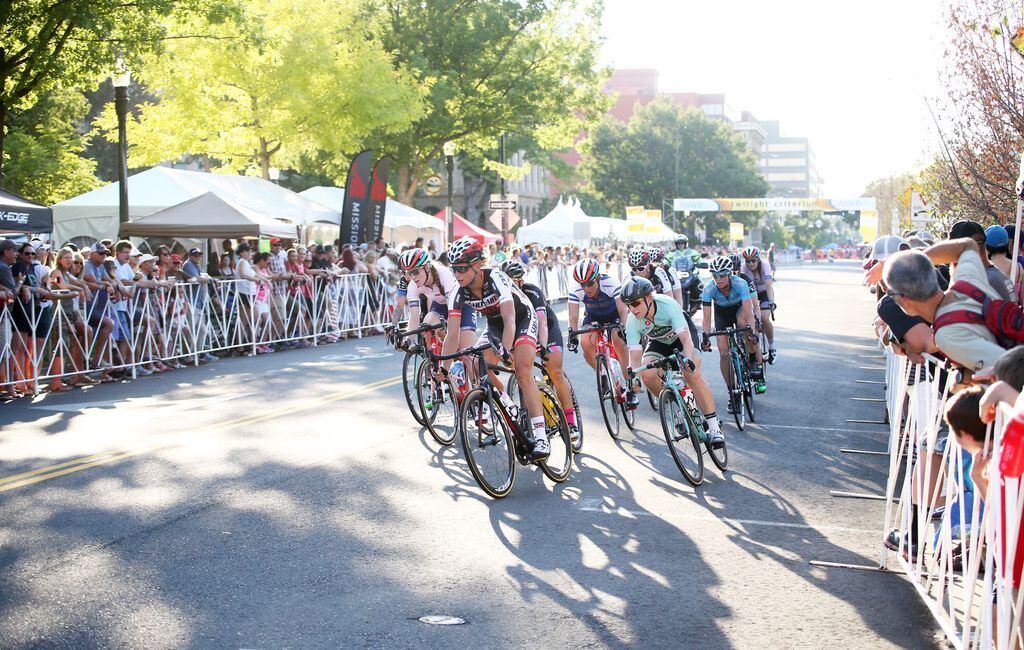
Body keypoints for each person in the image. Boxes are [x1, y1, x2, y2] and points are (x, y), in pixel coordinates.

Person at [441, 237, 550, 459]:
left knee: (521, 370)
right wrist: (443, 368)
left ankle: (541, 437)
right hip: (495, 326)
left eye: (462, 268)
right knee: (477, 363)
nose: (458, 274)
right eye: (454, 269)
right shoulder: (457, 292)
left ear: (476, 265)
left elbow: (510, 320)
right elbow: (453, 335)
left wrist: (506, 350)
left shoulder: (496, 278)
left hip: (520, 319)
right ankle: (507, 403)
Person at [621, 276, 723, 446]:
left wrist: (689, 359)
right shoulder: (632, 321)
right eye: (628, 305)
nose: (632, 309)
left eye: (636, 303)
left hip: (683, 338)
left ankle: (714, 427)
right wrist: (634, 378)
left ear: (648, 298)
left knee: (690, 373)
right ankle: (677, 408)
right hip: (659, 343)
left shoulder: (666, 305)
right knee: (647, 374)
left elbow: (685, 338)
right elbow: (635, 355)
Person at [883, 238, 1008, 373]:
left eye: (890, 293)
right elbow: (968, 245)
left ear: (904, 300)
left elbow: (1007, 368)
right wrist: (919, 260)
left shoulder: (946, 335)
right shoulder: (966, 279)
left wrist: (963, 380)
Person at [501, 258, 579, 446]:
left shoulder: (532, 291)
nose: (517, 283)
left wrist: (542, 345)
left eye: (519, 279)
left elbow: (542, 321)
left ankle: (571, 422)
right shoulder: (502, 296)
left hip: (547, 330)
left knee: (554, 370)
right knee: (518, 369)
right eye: (512, 279)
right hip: (522, 330)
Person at [566, 257, 634, 403]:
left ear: (598, 278)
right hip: (593, 316)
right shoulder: (576, 289)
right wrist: (572, 334)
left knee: (618, 341)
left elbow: (623, 310)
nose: (586, 288)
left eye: (590, 283)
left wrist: (625, 329)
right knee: (585, 343)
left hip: (614, 314)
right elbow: (573, 316)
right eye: (582, 284)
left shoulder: (611, 283)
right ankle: (603, 373)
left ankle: (629, 386)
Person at [700, 255, 765, 404]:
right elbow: (706, 318)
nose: (719, 278)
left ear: (730, 273)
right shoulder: (708, 288)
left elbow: (749, 311)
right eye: (715, 275)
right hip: (721, 314)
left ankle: (754, 360)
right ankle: (732, 392)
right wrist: (705, 337)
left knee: (745, 327)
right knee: (723, 353)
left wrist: (752, 332)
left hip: (739, 309)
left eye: (722, 274)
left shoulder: (741, 283)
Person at [398, 247, 477, 361]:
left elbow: (452, 312)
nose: (413, 277)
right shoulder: (413, 285)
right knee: (426, 325)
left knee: (466, 355)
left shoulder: (443, 274)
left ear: (427, 267)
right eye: (409, 273)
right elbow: (414, 316)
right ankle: (437, 364)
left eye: (415, 271)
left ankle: (468, 369)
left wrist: (451, 337)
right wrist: (408, 340)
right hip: (440, 306)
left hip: (462, 306)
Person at [741, 246, 777, 363]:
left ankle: (771, 346)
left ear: (758, 259)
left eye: (753, 261)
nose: (750, 264)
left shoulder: (765, 266)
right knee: (752, 320)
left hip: (764, 293)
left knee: (764, 318)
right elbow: (743, 289)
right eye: (748, 261)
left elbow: (768, 286)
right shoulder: (744, 269)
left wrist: (771, 301)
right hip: (751, 296)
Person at [985, 225, 1024, 305]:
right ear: (1007, 244)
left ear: (987, 246)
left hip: (989, 315)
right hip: (1010, 314)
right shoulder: (1019, 268)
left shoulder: (984, 269)